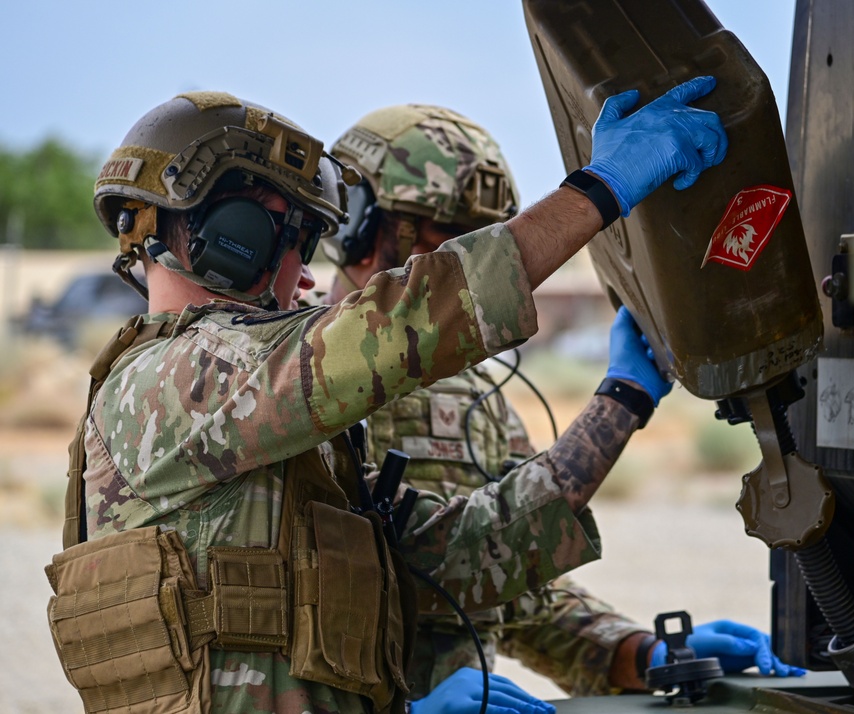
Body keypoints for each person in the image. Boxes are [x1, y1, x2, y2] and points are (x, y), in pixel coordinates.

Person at [44, 82, 728, 714]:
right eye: (295, 238)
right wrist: (598, 190)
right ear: (233, 236)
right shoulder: (168, 382)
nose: (304, 271)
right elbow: (399, 322)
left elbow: (457, 557)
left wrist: (624, 398)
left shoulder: (270, 416)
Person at [321, 104, 805, 699]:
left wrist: (642, 652)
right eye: (447, 239)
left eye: (481, 240)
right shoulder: (293, 394)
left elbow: (512, 587)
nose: (467, 268)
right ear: (357, 225)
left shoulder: (473, 395)